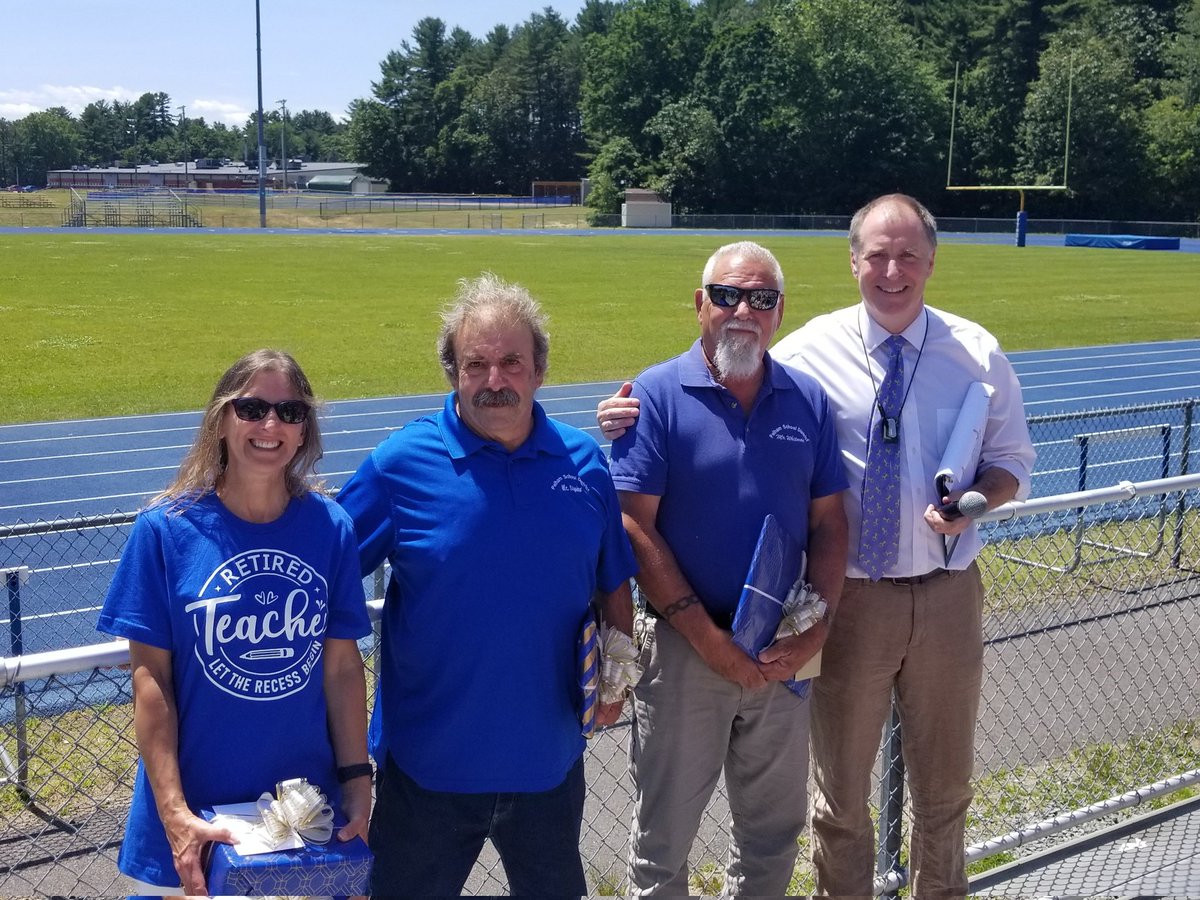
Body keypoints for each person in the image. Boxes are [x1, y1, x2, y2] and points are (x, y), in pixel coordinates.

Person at [599, 196, 1037, 897]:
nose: (892, 271)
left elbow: (1013, 460)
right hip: (848, 601)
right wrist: (621, 412)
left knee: (943, 791)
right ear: (854, 262)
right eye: (877, 255)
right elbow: (698, 407)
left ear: (930, 262)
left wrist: (979, 498)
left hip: (943, 591)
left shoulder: (975, 350)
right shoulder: (805, 353)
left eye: (908, 257)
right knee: (837, 800)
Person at [337, 273, 638, 897]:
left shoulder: (584, 465)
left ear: (539, 370)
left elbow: (614, 583)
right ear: (452, 372)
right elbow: (324, 571)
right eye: (476, 364)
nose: (495, 381)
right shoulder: (399, 466)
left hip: (549, 765)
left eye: (511, 362)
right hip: (428, 770)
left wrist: (616, 674)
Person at [607, 241, 849, 896]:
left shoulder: (808, 400)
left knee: (772, 838)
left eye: (762, 298)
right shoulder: (653, 395)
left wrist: (816, 630)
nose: (744, 309)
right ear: (699, 304)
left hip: (782, 649)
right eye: (727, 295)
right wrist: (709, 640)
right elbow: (633, 523)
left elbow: (830, 523)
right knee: (663, 846)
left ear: (779, 312)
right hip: (688, 652)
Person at [97, 349, 372, 896]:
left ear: (303, 431)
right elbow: (149, 680)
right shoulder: (165, 530)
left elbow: (341, 668)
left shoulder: (330, 527)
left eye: (289, 412)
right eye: (250, 408)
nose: (270, 425)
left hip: (304, 815)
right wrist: (175, 815)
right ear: (221, 420)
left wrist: (357, 783)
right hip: (199, 818)